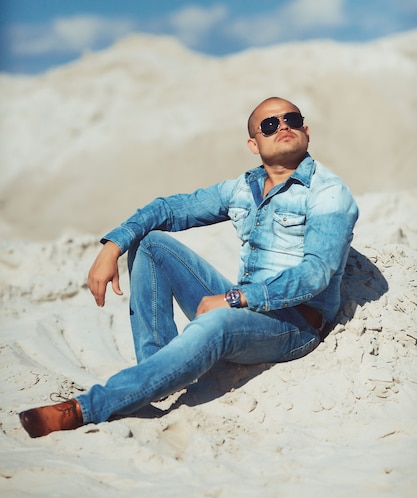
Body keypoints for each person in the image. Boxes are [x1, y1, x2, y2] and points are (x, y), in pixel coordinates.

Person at [19, 96, 358, 438]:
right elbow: (170, 208)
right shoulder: (244, 188)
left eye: (292, 119)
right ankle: (158, 371)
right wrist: (113, 246)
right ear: (253, 144)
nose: (283, 126)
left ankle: (87, 407)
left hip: (295, 325)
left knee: (220, 322)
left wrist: (235, 299)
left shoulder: (328, 193)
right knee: (150, 243)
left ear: (307, 131)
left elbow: (315, 274)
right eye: (270, 124)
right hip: (245, 309)